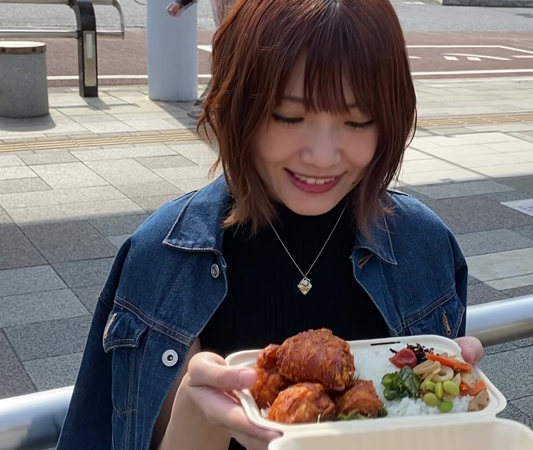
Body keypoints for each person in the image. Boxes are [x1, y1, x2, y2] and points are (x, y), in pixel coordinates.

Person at [55, 0, 482, 449]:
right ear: (238, 104)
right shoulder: (162, 259)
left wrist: (457, 394)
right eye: (288, 116)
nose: (322, 156)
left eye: (357, 120)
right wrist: (197, 413)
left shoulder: (423, 246)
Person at [167, 0, 238, 119]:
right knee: (227, 65)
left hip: (244, 25)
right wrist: (181, 3)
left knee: (230, 65)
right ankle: (209, 106)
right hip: (226, 28)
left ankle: (207, 106)